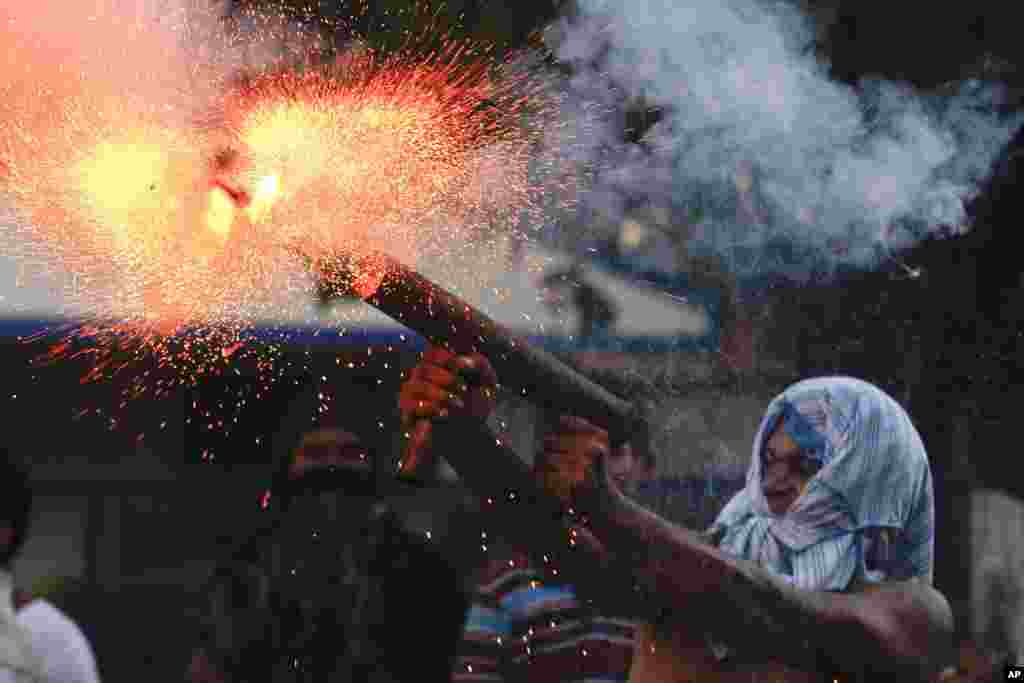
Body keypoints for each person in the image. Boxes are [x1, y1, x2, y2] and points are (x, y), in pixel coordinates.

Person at [400, 349, 953, 681]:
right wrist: (465, 440)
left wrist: (607, 509)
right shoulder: (698, 569)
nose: (778, 481)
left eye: (808, 465)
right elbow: (572, 555)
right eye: (769, 461)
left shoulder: (913, 613)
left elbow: (761, 603)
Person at [399, 347, 655, 683]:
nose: (592, 462)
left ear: (646, 465)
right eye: (571, 445)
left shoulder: (679, 574)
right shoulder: (506, 585)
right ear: (546, 460)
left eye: (614, 448)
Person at [187, 426, 470, 683]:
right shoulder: (248, 571)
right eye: (316, 454)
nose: (332, 464)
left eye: (348, 453)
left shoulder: (422, 568)